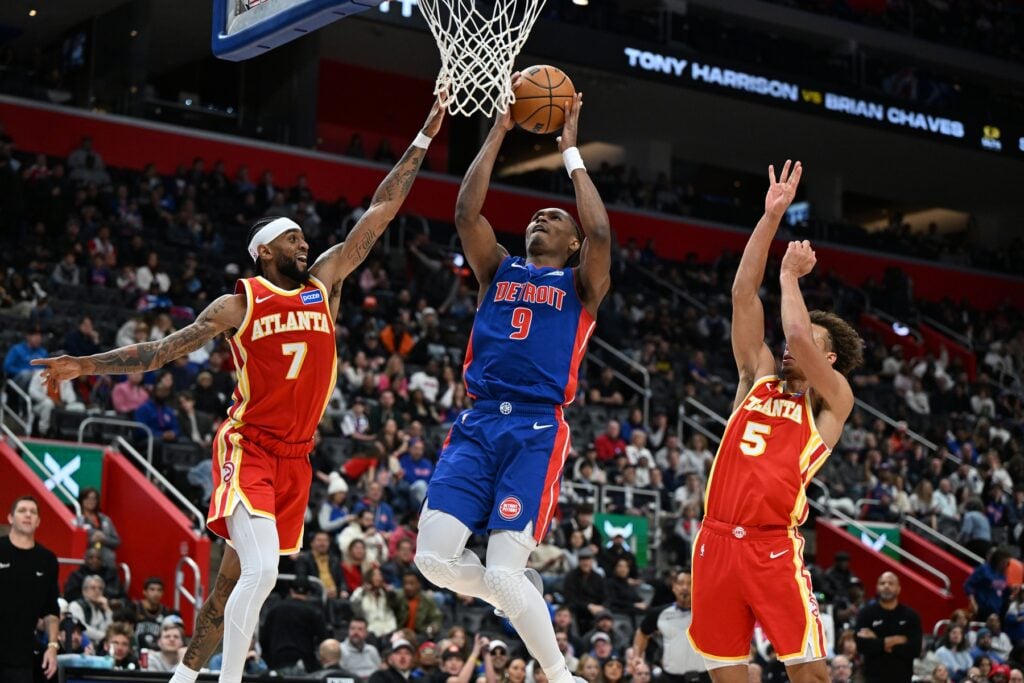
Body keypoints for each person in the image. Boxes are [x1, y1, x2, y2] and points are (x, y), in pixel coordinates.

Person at [32, 95, 446, 683]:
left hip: (296, 459)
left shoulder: (323, 284)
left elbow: (380, 212)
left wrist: (425, 136)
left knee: (232, 581)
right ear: (266, 250)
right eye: (295, 239)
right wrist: (84, 365)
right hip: (247, 445)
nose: (307, 245)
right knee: (264, 572)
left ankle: (183, 677)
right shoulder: (239, 302)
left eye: (307, 239)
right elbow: (158, 352)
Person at [415, 85, 611, 683]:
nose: (540, 218)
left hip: (534, 428)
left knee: (502, 572)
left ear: (572, 243)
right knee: (432, 560)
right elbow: (465, 214)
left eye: (553, 218)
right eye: (535, 215)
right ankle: (514, 595)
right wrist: (498, 130)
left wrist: (572, 153)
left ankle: (558, 673)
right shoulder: (497, 269)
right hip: (477, 423)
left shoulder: (582, 284)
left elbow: (602, 235)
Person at [688, 160, 865, 683]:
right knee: (727, 674)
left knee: (810, 673)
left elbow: (797, 333)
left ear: (828, 360)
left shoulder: (832, 401)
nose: (792, 345)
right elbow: (743, 295)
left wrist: (790, 277)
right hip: (716, 541)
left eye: (811, 342)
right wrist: (770, 219)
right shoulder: (757, 378)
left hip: (772, 546)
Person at [0, 496, 60, 682]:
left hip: (21, 658)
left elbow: (51, 611)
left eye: (33, 512)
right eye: (22, 510)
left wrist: (52, 646)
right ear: (10, 518)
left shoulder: (47, 560)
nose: (28, 515)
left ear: (38, 522)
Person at [633, 570, 708, 682]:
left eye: (689, 583)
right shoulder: (660, 613)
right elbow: (642, 632)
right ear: (674, 587)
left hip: (703, 676)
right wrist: (637, 656)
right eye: (681, 583)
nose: (685, 587)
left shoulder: (709, 613)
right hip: (670, 677)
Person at [853, 572, 922, 682]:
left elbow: (915, 649)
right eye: (882, 583)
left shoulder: (910, 615)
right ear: (877, 588)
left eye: (891, 583)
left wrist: (877, 640)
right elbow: (862, 646)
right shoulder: (866, 613)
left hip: (902, 678)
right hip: (873, 678)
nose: (886, 586)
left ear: (898, 588)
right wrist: (896, 640)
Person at [260, 579, 328, 675]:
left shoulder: (275, 609)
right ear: (308, 593)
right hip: (305, 662)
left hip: (277, 660)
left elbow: (264, 639)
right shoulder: (314, 612)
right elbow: (324, 640)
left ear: (291, 591)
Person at [74, 487, 121, 567]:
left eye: (94, 499)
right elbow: (75, 543)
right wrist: (92, 540)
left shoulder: (105, 519)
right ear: (81, 500)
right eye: (88, 498)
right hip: (86, 563)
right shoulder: (78, 520)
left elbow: (117, 542)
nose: (91, 501)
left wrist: (104, 539)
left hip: (107, 562)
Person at [133, 577, 176, 650]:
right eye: (152, 589)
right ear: (144, 592)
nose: (156, 593)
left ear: (162, 593)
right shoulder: (134, 609)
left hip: (158, 653)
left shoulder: (167, 612)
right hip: (136, 652)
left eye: (159, 590)